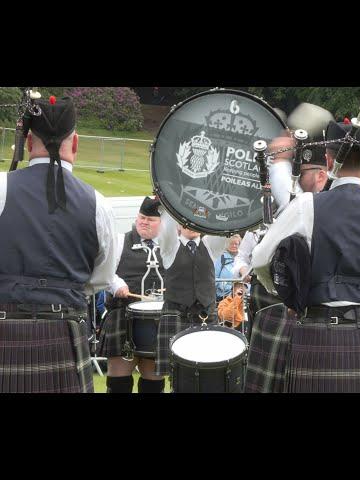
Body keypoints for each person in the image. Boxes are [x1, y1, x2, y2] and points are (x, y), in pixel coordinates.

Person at [250, 120, 360, 393]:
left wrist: (287, 293)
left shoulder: (307, 206)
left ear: (329, 158)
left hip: (316, 332)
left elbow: (260, 259)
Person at [0, 96, 118, 393]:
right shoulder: (99, 205)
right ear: (75, 143)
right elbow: (100, 279)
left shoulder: (2, 188)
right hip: (66, 333)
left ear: (27, 143)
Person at [244, 131, 331, 393]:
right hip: (288, 314)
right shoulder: (300, 203)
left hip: (315, 316)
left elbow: (260, 260)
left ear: (320, 175)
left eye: (302, 172)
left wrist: (280, 158)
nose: (297, 178)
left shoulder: (309, 204)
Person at [98, 196, 165, 393]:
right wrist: (116, 284)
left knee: (153, 380)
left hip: (158, 320)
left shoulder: (170, 246)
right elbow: (105, 270)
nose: (144, 222)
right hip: (122, 314)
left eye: (150, 219)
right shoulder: (120, 241)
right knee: (119, 380)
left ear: (161, 223)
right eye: (141, 217)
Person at [155, 211, 227, 387]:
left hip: (206, 316)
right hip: (176, 315)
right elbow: (166, 229)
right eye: (186, 221)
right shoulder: (169, 247)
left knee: (208, 370)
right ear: (179, 225)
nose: (191, 225)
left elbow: (223, 229)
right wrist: (175, 206)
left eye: (196, 222)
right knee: (177, 375)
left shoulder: (210, 246)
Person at [214, 234, 241, 302]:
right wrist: (229, 288)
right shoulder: (221, 258)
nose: (234, 246)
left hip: (241, 295)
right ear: (226, 244)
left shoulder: (243, 259)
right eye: (231, 244)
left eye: (236, 244)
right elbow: (214, 277)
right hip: (223, 296)